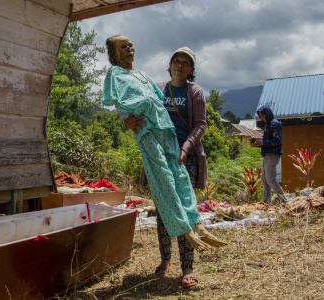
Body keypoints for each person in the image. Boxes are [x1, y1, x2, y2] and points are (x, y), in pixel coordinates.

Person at [102, 35, 225, 288]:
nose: (180, 65)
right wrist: (126, 121)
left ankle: (188, 263)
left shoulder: (194, 91)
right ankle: (166, 259)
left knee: (180, 191)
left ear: (191, 69)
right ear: (169, 65)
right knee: (163, 202)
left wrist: (186, 148)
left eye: (185, 62)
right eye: (176, 61)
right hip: (156, 143)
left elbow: (201, 125)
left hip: (183, 152)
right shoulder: (158, 86)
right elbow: (131, 106)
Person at [250, 105, 286, 204]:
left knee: (271, 180)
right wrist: (257, 143)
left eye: (263, 116)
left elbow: (277, 141)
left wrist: (261, 143)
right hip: (267, 155)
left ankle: (284, 201)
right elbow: (267, 142)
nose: (262, 118)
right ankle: (266, 202)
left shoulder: (275, 124)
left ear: (267, 114)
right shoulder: (267, 126)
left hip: (273, 155)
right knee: (264, 180)